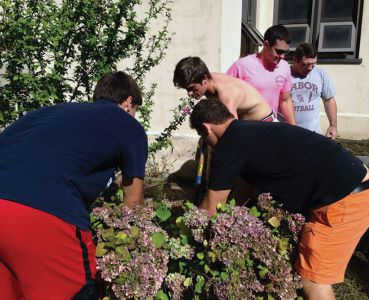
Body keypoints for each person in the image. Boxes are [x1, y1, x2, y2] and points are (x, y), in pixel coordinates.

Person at [189, 98, 369, 300]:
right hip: (357, 188)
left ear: (206, 128)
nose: (207, 144)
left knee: (313, 280)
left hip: (346, 201)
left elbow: (210, 208)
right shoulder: (249, 132)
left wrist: (190, 233)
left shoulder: (229, 144)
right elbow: (242, 193)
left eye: (203, 137)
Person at [0, 71, 148, 299]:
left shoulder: (57, 111)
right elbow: (133, 204)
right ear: (129, 102)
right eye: (136, 110)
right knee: (81, 290)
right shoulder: (129, 126)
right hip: (40, 213)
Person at [227, 24, 296, 125]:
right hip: (247, 129)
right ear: (266, 44)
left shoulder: (284, 67)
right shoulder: (242, 65)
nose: (283, 56)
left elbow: (285, 101)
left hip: (270, 129)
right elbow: (225, 95)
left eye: (286, 52)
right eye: (279, 51)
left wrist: (294, 128)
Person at [173, 56, 275, 121]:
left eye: (192, 88)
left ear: (204, 79)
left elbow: (232, 132)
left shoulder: (226, 93)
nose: (189, 94)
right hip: (252, 125)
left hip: (266, 126)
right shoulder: (209, 81)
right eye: (186, 89)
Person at [291, 43, 338, 139]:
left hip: (313, 134)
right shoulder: (284, 74)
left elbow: (329, 100)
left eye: (313, 64)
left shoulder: (320, 74)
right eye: (305, 64)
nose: (310, 68)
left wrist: (333, 125)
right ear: (295, 60)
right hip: (288, 132)